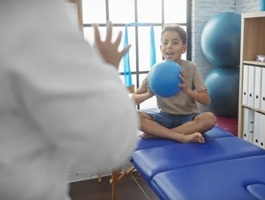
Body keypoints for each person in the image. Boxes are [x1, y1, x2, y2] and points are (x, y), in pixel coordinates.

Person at [0, 1, 138, 200]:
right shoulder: (32, 13)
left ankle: (182, 134)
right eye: (166, 42)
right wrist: (108, 69)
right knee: (143, 118)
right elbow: (106, 146)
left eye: (175, 42)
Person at [132, 25, 217, 143]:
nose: (169, 46)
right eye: (165, 42)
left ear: (184, 48)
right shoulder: (156, 71)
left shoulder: (191, 68)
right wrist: (148, 94)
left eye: (175, 43)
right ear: (161, 47)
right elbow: (133, 100)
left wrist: (188, 91)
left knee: (209, 118)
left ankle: (159, 134)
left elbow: (206, 100)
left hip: (188, 118)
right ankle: (180, 136)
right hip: (165, 117)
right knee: (133, 116)